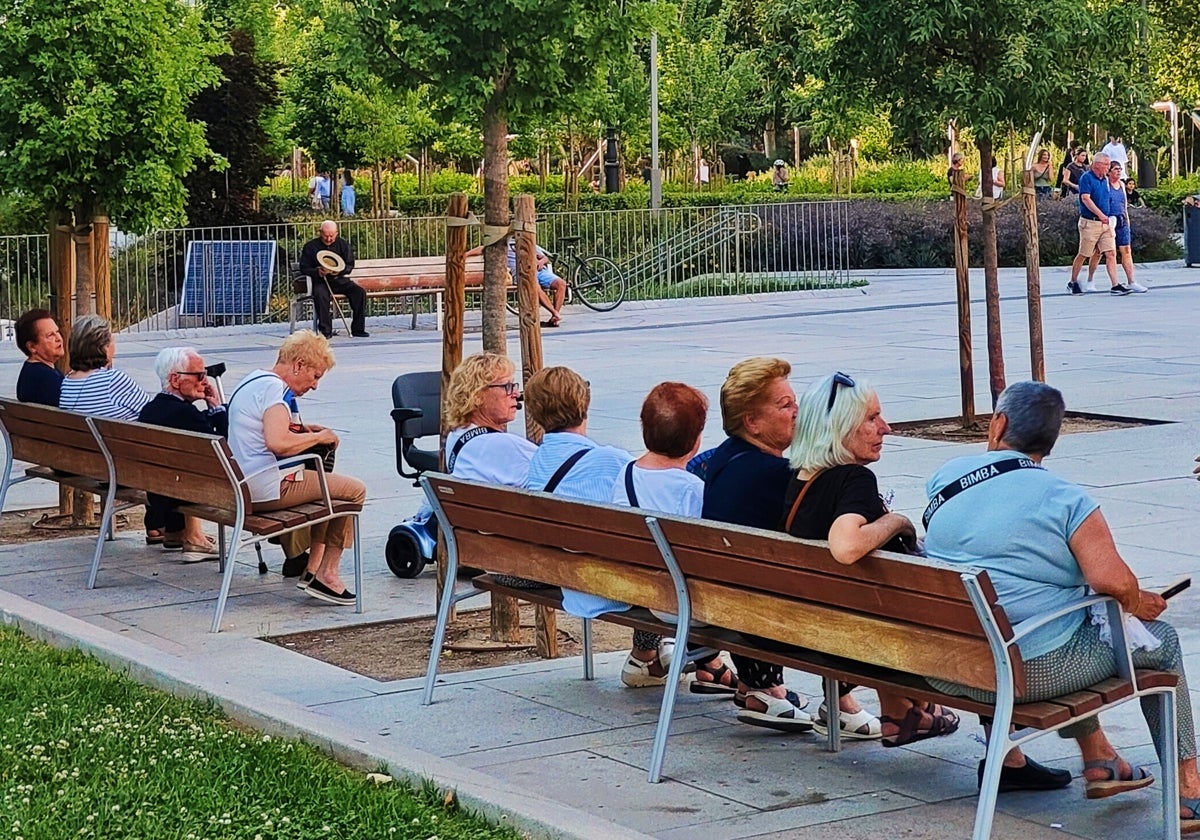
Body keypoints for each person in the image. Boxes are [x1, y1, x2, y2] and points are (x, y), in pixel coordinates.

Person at [924, 381, 1200, 826]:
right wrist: (1137, 600)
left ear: (999, 424)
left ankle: (1101, 759)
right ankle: (1190, 791)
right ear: (1052, 440)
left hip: (945, 664)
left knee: (1060, 627)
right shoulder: (1065, 499)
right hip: (1023, 674)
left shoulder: (947, 477)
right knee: (1159, 641)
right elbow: (1110, 579)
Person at [782, 372, 965, 745]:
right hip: (860, 633)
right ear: (840, 429)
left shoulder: (801, 478)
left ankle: (906, 708)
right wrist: (897, 521)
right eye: (871, 419)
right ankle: (915, 706)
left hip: (814, 621)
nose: (886, 427)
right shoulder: (853, 479)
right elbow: (846, 547)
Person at [700, 358, 865, 732]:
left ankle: (760, 684)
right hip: (763, 613)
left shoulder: (722, 459)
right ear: (752, 423)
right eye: (784, 405)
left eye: (795, 402)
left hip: (722, 600)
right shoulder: (778, 476)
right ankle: (842, 702)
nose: (798, 412)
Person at [607, 382, 736, 694]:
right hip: (682, 603)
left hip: (637, 590)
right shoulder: (692, 489)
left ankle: (698, 662)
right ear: (695, 442)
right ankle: (746, 680)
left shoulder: (625, 474)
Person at [226, 330, 367, 606]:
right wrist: (318, 437)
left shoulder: (253, 380)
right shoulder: (275, 389)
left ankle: (314, 569)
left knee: (332, 489)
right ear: (298, 365)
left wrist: (302, 430)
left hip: (242, 484)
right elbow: (277, 442)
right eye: (315, 376)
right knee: (354, 491)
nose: (315, 386)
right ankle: (326, 573)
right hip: (266, 488)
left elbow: (267, 428)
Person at [137, 348, 225, 559]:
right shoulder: (185, 413)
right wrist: (218, 408)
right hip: (185, 490)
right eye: (199, 375)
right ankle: (194, 537)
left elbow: (195, 424)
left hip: (158, 491)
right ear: (175, 379)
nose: (205, 381)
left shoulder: (150, 410)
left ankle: (176, 531)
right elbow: (223, 447)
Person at [57, 315, 151, 420]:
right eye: (112, 341)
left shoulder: (67, 383)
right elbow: (152, 412)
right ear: (104, 348)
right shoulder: (113, 380)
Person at [1068, 153, 1129, 296]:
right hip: (1090, 222)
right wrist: (1100, 214)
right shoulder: (1087, 178)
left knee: (1111, 253)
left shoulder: (1105, 180)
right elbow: (1085, 198)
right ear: (1097, 164)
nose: (1108, 167)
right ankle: (1073, 282)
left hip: (1105, 223)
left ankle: (1115, 284)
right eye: (1106, 164)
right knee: (1084, 254)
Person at [469, 238, 565, 327]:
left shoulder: (526, 240)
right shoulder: (503, 244)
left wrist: (541, 262)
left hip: (539, 271)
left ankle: (554, 318)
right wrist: (465, 255)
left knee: (561, 284)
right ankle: (554, 313)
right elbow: (482, 248)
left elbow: (544, 257)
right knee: (534, 285)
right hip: (522, 273)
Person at [298, 220, 368, 339]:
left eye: (331, 236)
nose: (329, 239)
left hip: (339, 280)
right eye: (326, 235)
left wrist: (340, 271)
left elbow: (349, 265)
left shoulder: (343, 244)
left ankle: (358, 329)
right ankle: (326, 331)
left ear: (336, 233)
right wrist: (317, 272)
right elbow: (304, 267)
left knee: (359, 293)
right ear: (320, 233)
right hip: (320, 281)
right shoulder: (310, 246)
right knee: (321, 295)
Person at [1086, 161, 1147, 293]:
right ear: (1109, 171)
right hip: (1107, 220)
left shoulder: (1121, 185)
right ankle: (1090, 279)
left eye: (1120, 169)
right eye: (1115, 169)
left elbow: (1123, 203)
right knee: (1099, 252)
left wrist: (1127, 220)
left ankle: (1131, 281)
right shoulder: (1105, 184)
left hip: (1121, 220)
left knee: (1126, 250)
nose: (1119, 171)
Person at [13, 309, 64, 407]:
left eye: (57, 332)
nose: (58, 338)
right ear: (32, 347)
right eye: (50, 335)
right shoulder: (48, 379)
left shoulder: (30, 372)